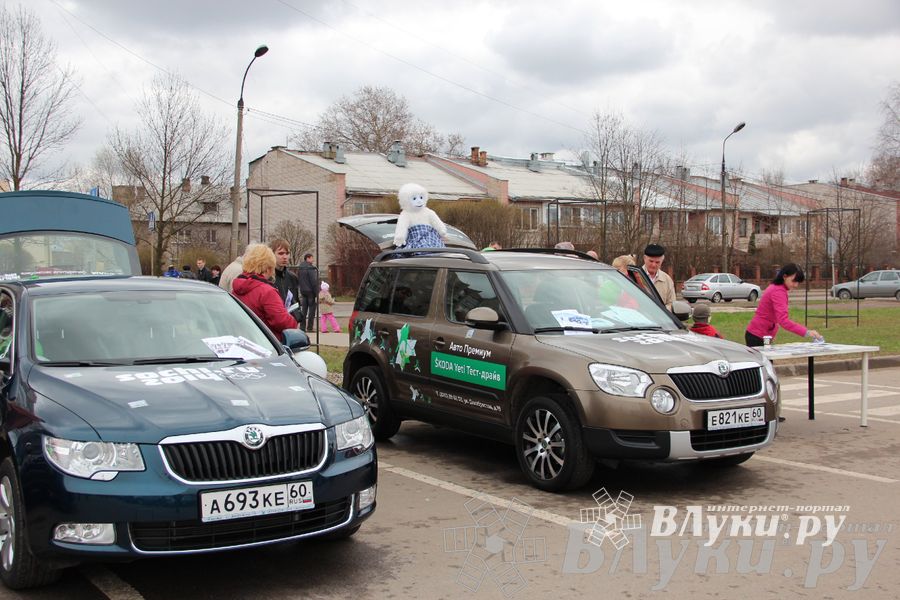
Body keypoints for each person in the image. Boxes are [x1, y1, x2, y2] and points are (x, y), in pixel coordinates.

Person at [230, 244, 297, 340]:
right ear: (269, 268)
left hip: (243, 340)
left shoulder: (236, 289)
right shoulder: (267, 292)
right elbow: (282, 322)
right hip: (265, 343)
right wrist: (294, 322)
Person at [745, 263, 821, 347]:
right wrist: (807, 332)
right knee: (766, 356)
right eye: (794, 281)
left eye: (798, 282)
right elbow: (783, 321)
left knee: (769, 355)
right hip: (758, 336)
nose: (796, 285)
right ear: (784, 276)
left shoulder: (776, 288)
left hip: (762, 335)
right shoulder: (778, 291)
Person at [642, 244, 676, 310]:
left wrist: (659, 311)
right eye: (651, 261)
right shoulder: (635, 276)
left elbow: (672, 304)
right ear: (644, 258)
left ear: (662, 261)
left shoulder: (667, 280)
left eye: (657, 262)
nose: (654, 265)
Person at [269, 239, 299, 310]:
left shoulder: (293, 277)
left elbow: (296, 303)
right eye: (281, 253)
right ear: (272, 254)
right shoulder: (267, 278)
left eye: (287, 253)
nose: (285, 257)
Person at [297, 252, 319, 332]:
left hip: (303, 291)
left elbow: (298, 278)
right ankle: (310, 327)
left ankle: (302, 327)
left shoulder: (300, 267)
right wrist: (317, 293)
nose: (313, 259)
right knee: (312, 310)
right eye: (312, 258)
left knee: (304, 310)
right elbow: (314, 281)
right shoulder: (311, 268)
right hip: (311, 292)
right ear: (308, 258)